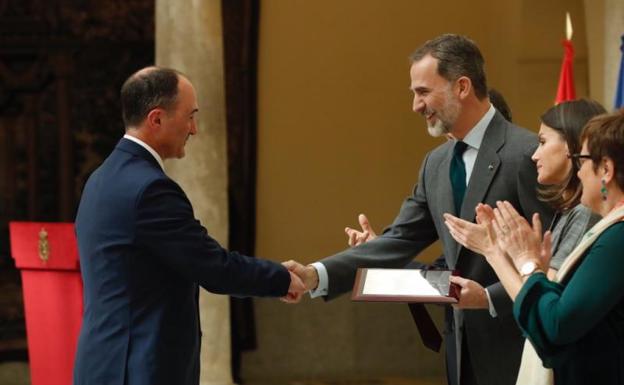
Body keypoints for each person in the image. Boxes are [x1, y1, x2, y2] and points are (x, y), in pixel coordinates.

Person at [285, 34, 553, 385]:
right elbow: (398, 240)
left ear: (462, 86)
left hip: (519, 351)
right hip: (460, 356)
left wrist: (488, 298)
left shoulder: (526, 153)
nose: (415, 105)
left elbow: (554, 255)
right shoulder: (435, 165)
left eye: (423, 91)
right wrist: (314, 275)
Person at [73, 67, 305, 385]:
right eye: (190, 116)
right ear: (156, 119)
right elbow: (213, 267)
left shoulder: (100, 179)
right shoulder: (150, 189)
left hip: (102, 365)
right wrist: (281, 278)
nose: (194, 129)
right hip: (140, 369)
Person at [443, 99, 605, 384]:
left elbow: (544, 300)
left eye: (543, 142)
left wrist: (494, 250)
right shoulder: (571, 211)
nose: (534, 155)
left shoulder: (585, 213)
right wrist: (501, 246)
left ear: (571, 146)